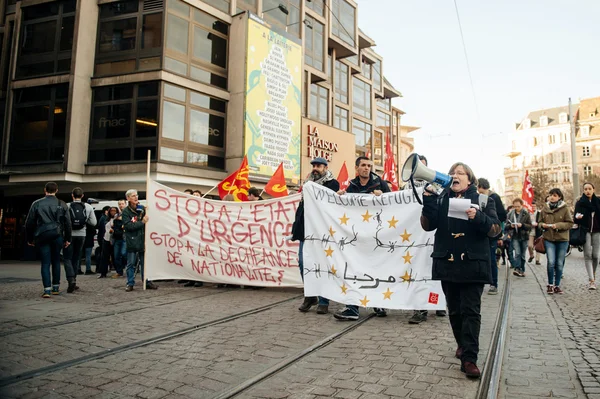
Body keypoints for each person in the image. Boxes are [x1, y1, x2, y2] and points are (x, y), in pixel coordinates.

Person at [420, 162, 500, 379]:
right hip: (448, 263)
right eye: (452, 173)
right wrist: (428, 202)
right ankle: (462, 344)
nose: (455, 176)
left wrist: (479, 218)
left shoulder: (484, 200)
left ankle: (470, 359)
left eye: (460, 173)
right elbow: (428, 225)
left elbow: (495, 230)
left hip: (473, 265)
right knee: (454, 311)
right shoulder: (440, 198)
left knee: (471, 312)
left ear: (469, 179)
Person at [334, 156, 390, 320]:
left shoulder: (381, 183)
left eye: (369, 165)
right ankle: (352, 307)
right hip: (356, 237)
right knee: (354, 270)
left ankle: (378, 303)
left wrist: (384, 195)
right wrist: (339, 197)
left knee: (376, 269)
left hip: (375, 236)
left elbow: (394, 203)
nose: (366, 168)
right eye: (363, 165)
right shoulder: (351, 185)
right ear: (357, 168)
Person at [293, 157, 340, 314]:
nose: (315, 168)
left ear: (325, 168)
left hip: (322, 231)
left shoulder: (333, 183)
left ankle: (324, 300)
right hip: (305, 231)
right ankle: (310, 295)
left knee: (322, 264)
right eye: (313, 165)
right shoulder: (307, 184)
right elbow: (302, 207)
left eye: (319, 166)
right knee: (303, 262)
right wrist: (296, 228)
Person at [407, 155, 446, 324]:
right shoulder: (405, 188)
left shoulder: (436, 187)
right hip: (412, 238)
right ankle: (420, 308)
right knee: (418, 273)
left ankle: (439, 302)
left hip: (430, 237)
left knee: (434, 272)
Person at [25, 182, 72, 298]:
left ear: (44, 190)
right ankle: (56, 287)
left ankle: (47, 289)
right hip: (57, 235)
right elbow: (68, 223)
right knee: (56, 261)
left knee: (45, 262)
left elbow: (29, 222)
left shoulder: (37, 203)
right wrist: (68, 239)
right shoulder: (62, 204)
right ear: (56, 190)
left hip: (42, 235)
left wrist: (30, 238)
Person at [539, 188, 573, 295]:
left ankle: (557, 285)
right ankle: (550, 285)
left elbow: (570, 223)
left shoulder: (565, 208)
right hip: (549, 238)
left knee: (559, 263)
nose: (552, 197)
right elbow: (539, 222)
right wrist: (542, 225)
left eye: (554, 195)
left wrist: (557, 225)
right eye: (550, 195)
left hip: (562, 239)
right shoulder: (545, 208)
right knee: (551, 262)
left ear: (559, 197)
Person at [122, 189, 157, 291]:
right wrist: (142, 222)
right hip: (132, 240)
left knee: (145, 263)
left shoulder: (142, 208)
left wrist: (148, 211)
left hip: (143, 240)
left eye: (136, 195)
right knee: (131, 264)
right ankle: (130, 283)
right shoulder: (125, 212)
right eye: (133, 196)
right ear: (128, 198)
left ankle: (147, 281)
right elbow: (128, 226)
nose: (136, 197)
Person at [63, 188, 97, 292]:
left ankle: (71, 280)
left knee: (67, 258)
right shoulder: (88, 206)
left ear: (72, 195)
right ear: (82, 196)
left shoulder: (67, 206)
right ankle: (74, 280)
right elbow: (94, 222)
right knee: (76, 257)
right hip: (82, 234)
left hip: (69, 235)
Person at [477, 178, 507, 294]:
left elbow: (502, 216)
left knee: (491, 259)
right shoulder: (476, 198)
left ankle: (493, 284)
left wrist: (496, 229)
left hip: (491, 234)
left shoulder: (494, 198)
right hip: (480, 233)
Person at [574, 182, 600, 290]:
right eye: (585, 189)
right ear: (583, 191)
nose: (587, 191)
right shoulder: (580, 203)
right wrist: (578, 217)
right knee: (588, 255)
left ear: (593, 189)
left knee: (596, 256)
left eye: (589, 188)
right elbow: (575, 218)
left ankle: (593, 274)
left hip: (597, 231)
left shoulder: (598, 202)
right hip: (585, 231)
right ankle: (591, 280)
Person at [507, 198, 532, 277]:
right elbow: (506, 225)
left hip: (524, 236)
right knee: (517, 253)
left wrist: (522, 225)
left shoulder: (526, 213)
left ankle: (522, 269)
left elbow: (529, 226)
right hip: (514, 235)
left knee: (522, 254)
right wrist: (511, 225)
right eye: (515, 206)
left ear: (522, 205)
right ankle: (517, 268)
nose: (516, 208)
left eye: (518, 206)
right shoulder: (510, 214)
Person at [98, 207, 118, 278]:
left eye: (114, 211)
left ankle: (118, 271)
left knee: (115, 256)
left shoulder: (118, 218)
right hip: (106, 238)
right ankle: (103, 273)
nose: (113, 212)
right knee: (104, 257)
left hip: (114, 239)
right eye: (111, 211)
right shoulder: (106, 219)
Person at [112, 200, 127, 278]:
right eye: (120, 204)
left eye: (122, 204)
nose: (121, 205)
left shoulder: (128, 214)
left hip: (125, 237)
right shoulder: (116, 215)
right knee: (116, 255)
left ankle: (130, 267)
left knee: (124, 253)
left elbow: (133, 222)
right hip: (117, 237)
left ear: (125, 204)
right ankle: (119, 272)